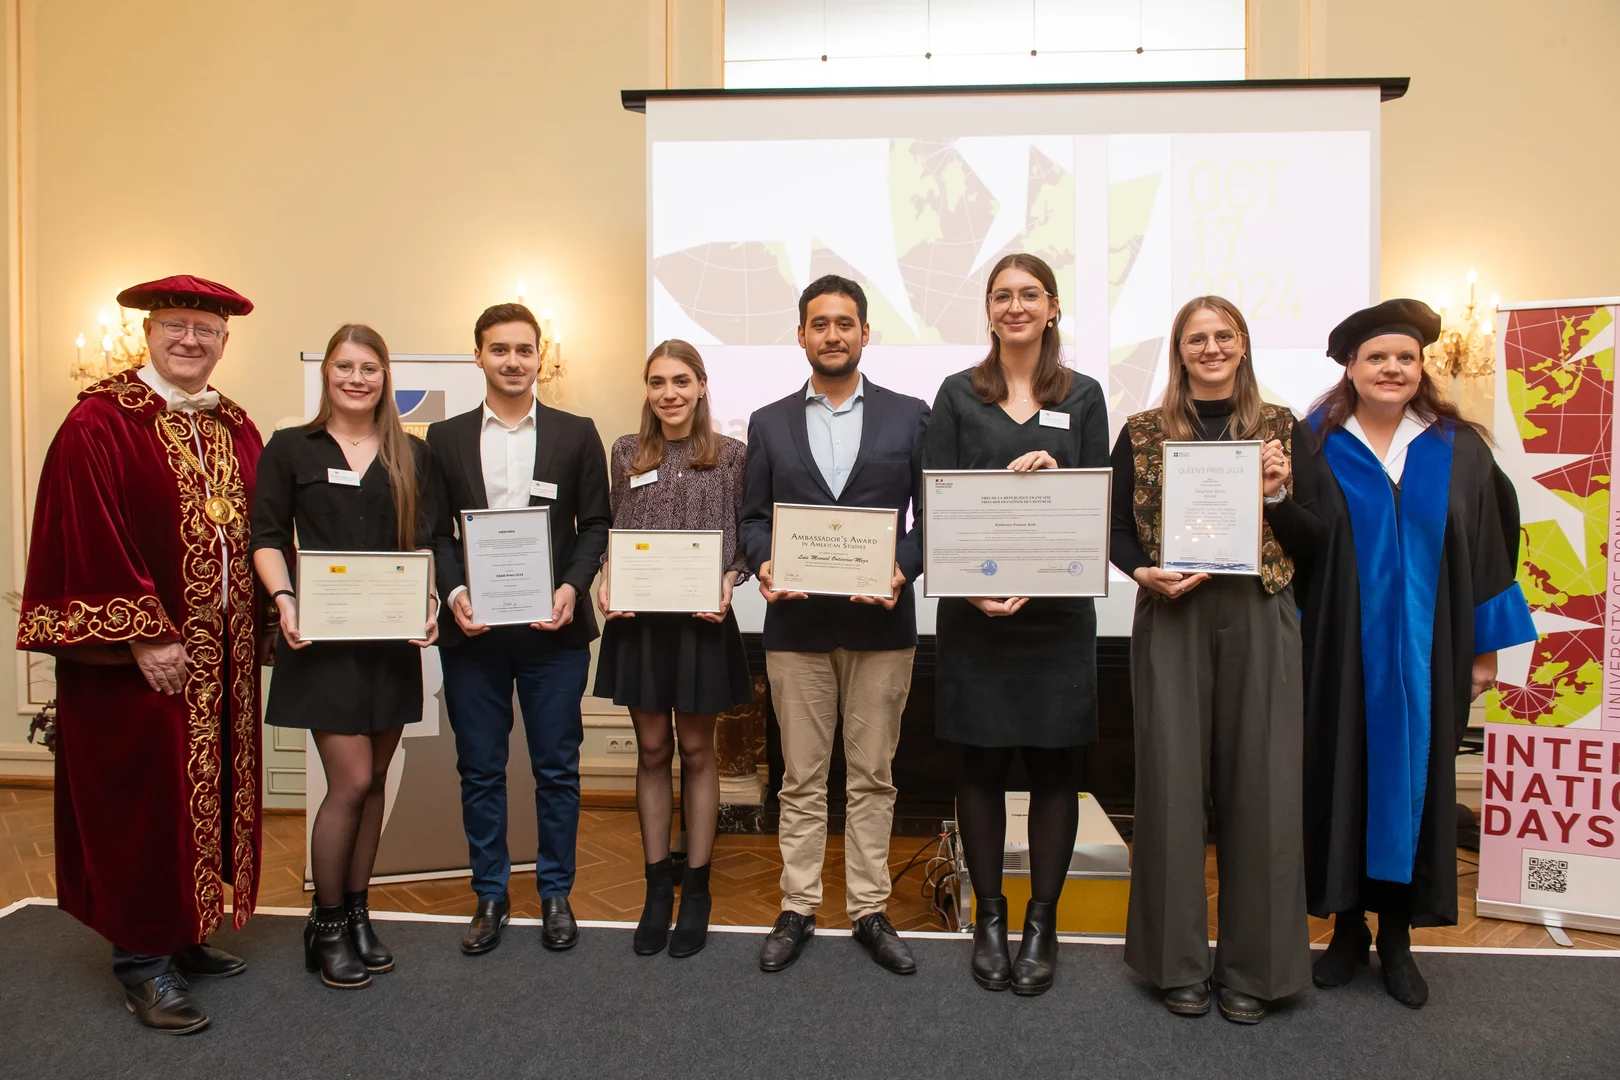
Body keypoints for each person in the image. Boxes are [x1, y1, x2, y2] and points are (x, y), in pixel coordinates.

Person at [17, 275, 263, 1034]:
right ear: (148, 332)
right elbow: (85, 532)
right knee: (140, 804)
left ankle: (184, 931)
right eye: (177, 326)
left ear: (225, 341)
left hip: (223, 661)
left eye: (207, 330)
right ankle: (141, 962)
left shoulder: (235, 426)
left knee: (204, 795)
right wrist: (143, 633)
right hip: (140, 665)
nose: (192, 340)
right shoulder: (101, 422)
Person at [1298, 299, 1537, 1008]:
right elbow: (1291, 540)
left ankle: (1397, 937)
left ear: (1420, 366)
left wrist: (1485, 651)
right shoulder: (1315, 442)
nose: (1392, 368)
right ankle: (1345, 930)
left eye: (1405, 357)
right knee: (1340, 778)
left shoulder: (1456, 447)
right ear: (1352, 368)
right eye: (1377, 358)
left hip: (1431, 656)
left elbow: (1491, 544)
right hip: (1336, 652)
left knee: (1416, 785)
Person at [1109, 296, 1315, 1024]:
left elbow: (1315, 540)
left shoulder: (1285, 430)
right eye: (1197, 338)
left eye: (1224, 335)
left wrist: (1279, 493)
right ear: (1179, 350)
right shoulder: (1140, 433)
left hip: (1260, 613)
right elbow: (1117, 537)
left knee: (1262, 790)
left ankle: (1254, 972)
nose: (1212, 347)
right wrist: (1142, 574)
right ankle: (1177, 965)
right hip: (1174, 613)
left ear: (1244, 345)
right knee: (1169, 789)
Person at [921, 252, 1108, 997]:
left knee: (1056, 769)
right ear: (989, 310)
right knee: (981, 769)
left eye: (1030, 294)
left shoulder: (1083, 396)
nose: (1016, 306)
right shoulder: (958, 396)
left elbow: (1100, 506)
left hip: (1057, 619)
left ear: (1053, 307)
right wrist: (970, 591)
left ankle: (1043, 924)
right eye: (1002, 295)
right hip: (978, 617)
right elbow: (934, 504)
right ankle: (991, 919)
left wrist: (1062, 485)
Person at [739, 274, 930, 975]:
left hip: (883, 629)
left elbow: (930, 520)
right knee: (801, 778)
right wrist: (762, 560)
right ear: (800, 335)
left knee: (874, 777)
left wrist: (901, 567)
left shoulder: (911, 416)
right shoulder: (768, 421)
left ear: (865, 333)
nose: (833, 334)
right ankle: (797, 906)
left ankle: (869, 909)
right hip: (795, 630)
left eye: (845, 322)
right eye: (819, 324)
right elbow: (754, 520)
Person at [251, 324, 441, 989]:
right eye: (345, 367)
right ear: (326, 373)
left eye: (369, 368)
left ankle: (359, 913)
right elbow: (267, 536)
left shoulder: (410, 455)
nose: (357, 378)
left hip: (390, 643)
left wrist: (430, 603)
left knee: (373, 785)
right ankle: (324, 923)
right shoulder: (290, 448)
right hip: (322, 640)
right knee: (352, 782)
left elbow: (426, 544)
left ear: (385, 377)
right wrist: (284, 600)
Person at [427, 303, 611, 955]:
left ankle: (556, 892)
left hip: (553, 634)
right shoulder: (444, 439)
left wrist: (570, 587)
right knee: (479, 768)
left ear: (541, 357)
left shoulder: (575, 432)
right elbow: (436, 533)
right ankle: (491, 895)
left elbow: (595, 525)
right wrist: (453, 594)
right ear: (477, 355)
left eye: (523, 350)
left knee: (556, 768)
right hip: (473, 637)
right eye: (498, 349)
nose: (512, 361)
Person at [593, 340, 752, 959]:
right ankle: (657, 887)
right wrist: (608, 572)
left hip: (700, 623)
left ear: (703, 385)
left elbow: (742, 538)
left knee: (696, 748)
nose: (670, 394)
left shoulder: (733, 456)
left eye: (681, 381)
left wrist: (730, 578)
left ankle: (700, 887)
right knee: (653, 749)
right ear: (647, 390)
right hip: (641, 626)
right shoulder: (626, 453)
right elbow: (615, 531)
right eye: (657, 382)